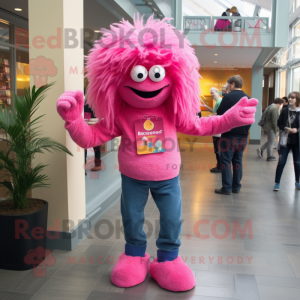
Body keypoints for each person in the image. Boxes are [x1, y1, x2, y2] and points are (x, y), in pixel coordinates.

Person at [57, 16, 257, 292]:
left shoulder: (171, 110)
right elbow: (91, 137)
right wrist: (74, 121)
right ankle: (135, 255)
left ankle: (168, 259)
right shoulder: (122, 113)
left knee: (172, 218)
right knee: (132, 219)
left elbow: (200, 125)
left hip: (168, 178)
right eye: (137, 74)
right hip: (132, 178)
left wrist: (229, 119)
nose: (147, 82)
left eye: (155, 74)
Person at [215, 75, 251, 195]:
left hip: (229, 135)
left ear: (233, 84)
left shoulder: (228, 97)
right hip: (243, 136)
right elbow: (250, 116)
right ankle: (236, 187)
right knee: (238, 161)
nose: (228, 86)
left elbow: (219, 113)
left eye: (229, 84)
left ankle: (227, 188)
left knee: (225, 161)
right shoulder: (247, 97)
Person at [274, 92, 300, 191]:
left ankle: (297, 181)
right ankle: (277, 183)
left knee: (297, 163)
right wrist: (285, 128)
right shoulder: (285, 111)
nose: (290, 99)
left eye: (293, 97)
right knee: (281, 162)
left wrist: (296, 130)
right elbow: (279, 123)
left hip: (297, 142)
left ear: (297, 99)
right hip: (285, 140)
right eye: (289, 97)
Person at [84, 102, 102, 172]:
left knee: (95, 145)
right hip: (89, 122)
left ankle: (97, 164)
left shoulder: (95, 101)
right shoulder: (87, 102)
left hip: (92, 123)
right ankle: (97, 164)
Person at [209, 87, 223, 173]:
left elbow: (219, 114)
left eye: (213, 92)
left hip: (218, 131)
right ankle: (219, 166)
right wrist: (206, 107)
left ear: (218, 92)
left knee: (218, 149)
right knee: (217, 149)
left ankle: (220, 167)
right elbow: (215, 112)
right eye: (211, 93)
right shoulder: (217, 102)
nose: (211, 94)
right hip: (216, 130)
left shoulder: (220, 101)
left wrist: (210, 117)